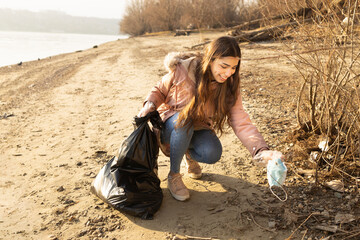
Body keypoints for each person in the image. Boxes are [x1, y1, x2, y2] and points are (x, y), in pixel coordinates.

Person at [138, 36, 283, 201]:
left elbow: (240, 120)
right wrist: (149, 105)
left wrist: (261, 150)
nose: (228, 73)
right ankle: (174, 175)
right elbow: (159, 89)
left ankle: (188, 154)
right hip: (170, 126)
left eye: (234, 67)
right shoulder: (185, 68)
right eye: (224, 66)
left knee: (213, 152)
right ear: (211, 59)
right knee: (184, 120)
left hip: (197, 127)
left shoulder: (230, 84)